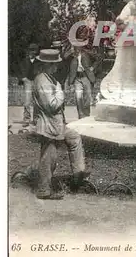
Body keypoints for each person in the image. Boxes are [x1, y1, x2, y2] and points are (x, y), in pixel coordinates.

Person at [32, 49, 88, 200]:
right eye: (54, 64)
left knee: (74, 137)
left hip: (56, 124)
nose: (56, 67)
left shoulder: (48, 78)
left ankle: (78, 176)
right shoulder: (42, 80)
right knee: (49, 157)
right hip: (48, 126)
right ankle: (44, 190)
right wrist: (60, 93)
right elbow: (51, 105)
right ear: (46, 65)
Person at [68, 46, 96, 119]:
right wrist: (70, 82)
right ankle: (81, 115)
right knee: (78, 97)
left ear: (80, 48)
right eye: (75, 48)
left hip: (86, 77)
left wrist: (93, 67)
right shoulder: (71, 56)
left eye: (77, 48)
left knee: (87, 97)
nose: (75, 50)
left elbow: (98, 59)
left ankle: (86, 115)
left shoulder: (87, 54)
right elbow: (64, 59)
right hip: (77, 78)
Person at [17, 43, 40, 125]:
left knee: (37, 101)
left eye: (33, 50)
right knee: (27, 101)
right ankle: (26, 119)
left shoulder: (39, 61)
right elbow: (19, 70)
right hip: (28, 82)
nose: (31, 52)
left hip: (37, 82)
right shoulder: (24, 60)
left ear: (36, 52)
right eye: (30, 50)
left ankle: (36, 119)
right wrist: (23, 78)